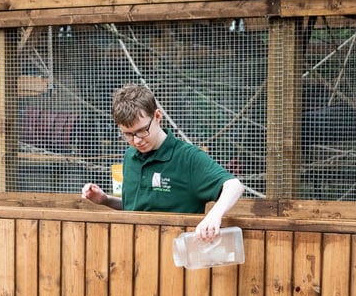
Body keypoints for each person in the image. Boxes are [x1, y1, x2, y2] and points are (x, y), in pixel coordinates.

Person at [81, 84, 245, 242]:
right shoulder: (130, 156)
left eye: (142, 130)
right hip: (132, 253)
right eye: (128, 134)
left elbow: (234, 186)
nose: (137, 141)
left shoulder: (187, 157)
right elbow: (138, 206)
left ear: (157, 116)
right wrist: (105, 200)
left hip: (175, 255)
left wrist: (214, 216)